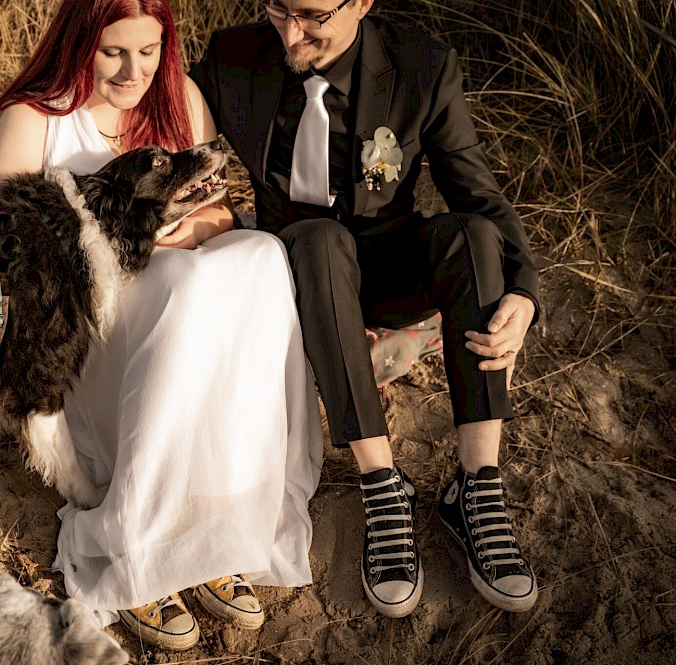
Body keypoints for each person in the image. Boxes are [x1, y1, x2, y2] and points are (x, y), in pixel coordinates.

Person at [0, 0, 324, 652]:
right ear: (82, 41)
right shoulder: (34, 120)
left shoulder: (179, 100)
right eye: (115, 52)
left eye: (149, 51)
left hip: (179, 312)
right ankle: (143, 535)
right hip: (89, 335)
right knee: (181, 281)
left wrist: (159, 234)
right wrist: (142, 244)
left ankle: (219, 520)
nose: (135, 71)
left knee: (262, 257)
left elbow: (217, 213)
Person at [191, 0, 540, 618]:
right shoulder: (233, 56)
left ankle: (477, 486)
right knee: (321, 242)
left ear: (362, 4)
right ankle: (382, 483)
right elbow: (147, 113)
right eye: (276, 8)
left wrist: (524, 291)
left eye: (312, 15)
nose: (291, 32)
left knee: (472, 237)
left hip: (388, 268)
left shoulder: (420, 66)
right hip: (294, 275)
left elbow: (475, 192)